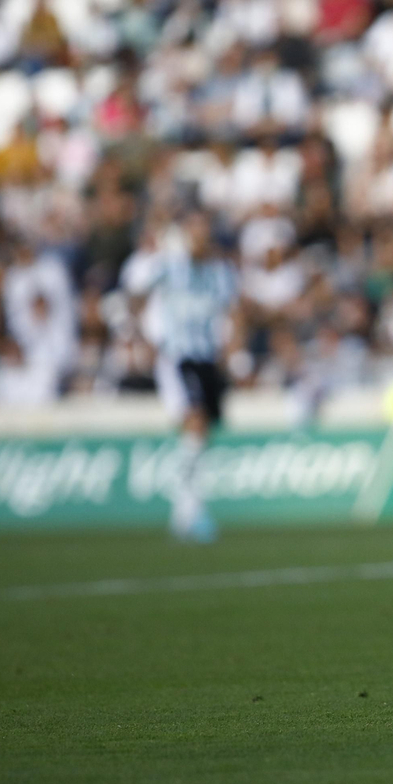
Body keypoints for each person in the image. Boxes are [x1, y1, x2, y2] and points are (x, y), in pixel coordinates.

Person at [153, 211, 238, 543]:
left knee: (203, 432)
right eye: (194, 232)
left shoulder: (221, 273)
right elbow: (134, 292)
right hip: (178, 356)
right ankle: (190, 510)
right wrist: (147, 336)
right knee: (196, 421)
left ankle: (182, 511)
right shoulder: (169, 267)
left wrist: (234, 351)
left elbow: (233, 312)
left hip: (207, 357)